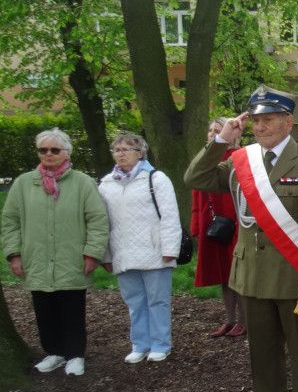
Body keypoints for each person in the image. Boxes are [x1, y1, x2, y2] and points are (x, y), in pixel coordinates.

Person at [184, 86, 298, 392]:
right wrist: (222, 139)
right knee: (262, 354)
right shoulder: (241, 160)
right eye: (255, 120)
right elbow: (195, 178)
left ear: (288, 122)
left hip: (296, 276)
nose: (260, 126)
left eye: (268, 119)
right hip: (252, 276)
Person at [2, 128, 109, 376]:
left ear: (66, 153)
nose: (48, 154)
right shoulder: (23, 183)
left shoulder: (82, 183)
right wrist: (14, 254)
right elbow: (10, 221)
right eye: (43, 150)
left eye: (54, 150)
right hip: (36, 258)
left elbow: (97, 220)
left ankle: (74, 355)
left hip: (71, 257)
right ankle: (54, 352)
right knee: (43, 308)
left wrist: (92, 253)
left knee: (72, 308)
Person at [99, 133, 181, 364]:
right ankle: (140, 344)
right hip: (122, 253)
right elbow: (102, 222)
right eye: (117, 150)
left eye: (127, 149)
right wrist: (106, 254)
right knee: (134, 302)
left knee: (158, 300)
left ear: (140, 153)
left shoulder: (156, 179)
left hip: (154, 251)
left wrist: (170, 249)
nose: (121, 154)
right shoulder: (106, 184)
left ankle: (160, 344)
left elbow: (170, 216)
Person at [191, 118, 245, 338]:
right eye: (210, 130)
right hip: (212, 223)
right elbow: (196, 193)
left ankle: (244, 321)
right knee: (223, 274)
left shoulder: (239, 158)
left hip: (235, 223)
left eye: (218, 130)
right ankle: (229, 319)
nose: (213, 134)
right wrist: (196, 224)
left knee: (238, 274)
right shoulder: (205, 159)